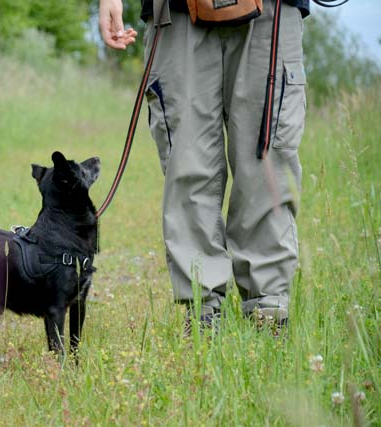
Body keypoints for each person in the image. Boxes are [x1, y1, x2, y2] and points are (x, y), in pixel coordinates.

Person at [98, 0, 308, 334]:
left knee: (267, 161)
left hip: (272, 12)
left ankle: (269, 311)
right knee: (187, 164)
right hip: (176, 12)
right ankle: (202, 314)